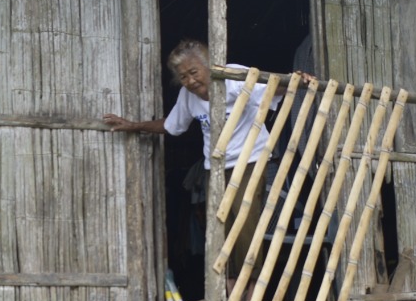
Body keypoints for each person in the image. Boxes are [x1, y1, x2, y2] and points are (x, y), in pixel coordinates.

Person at [102, 39, 288, 288]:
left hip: (250, 159)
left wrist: (292, 80)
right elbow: (172, 125)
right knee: (219, 225)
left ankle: (250, 286)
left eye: (193, 72)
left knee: (244, 221)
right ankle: (229, 285)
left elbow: (272, 88)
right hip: (216, 166)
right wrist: (134, 125)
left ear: (208, 66)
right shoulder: (187, 96)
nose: (189, 81)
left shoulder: (233, 76)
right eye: (183, 77)